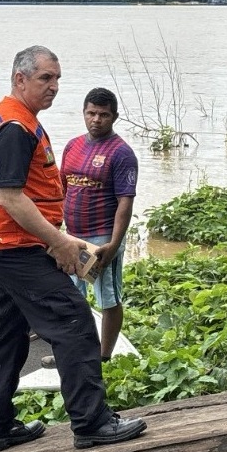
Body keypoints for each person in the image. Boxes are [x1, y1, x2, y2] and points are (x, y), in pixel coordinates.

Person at [0, 45, 146, 452]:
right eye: (45, 78)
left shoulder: (20, 120)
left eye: (57, 79)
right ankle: (92, 423)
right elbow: (11, 198)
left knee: (5, 335)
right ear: (20, 79)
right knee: (74, 323)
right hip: (15, 246)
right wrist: (60, 242)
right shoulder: (14, 127)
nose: (54, 87)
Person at [61, 87, 138, 361]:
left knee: (108, 298)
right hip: (72, 236)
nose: (96, 119)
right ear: (83, 113)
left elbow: (125, 204)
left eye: (103, 115)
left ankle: (103, 356)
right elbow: (62, 189)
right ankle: (74, 351)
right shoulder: (72, 146)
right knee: (71, 296)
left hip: (103, 237)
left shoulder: (122, 154)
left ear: (114, 117)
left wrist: (113, 245)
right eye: (91, 113)